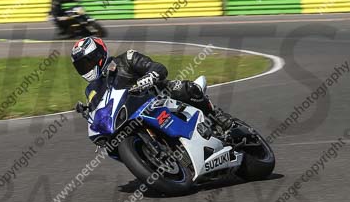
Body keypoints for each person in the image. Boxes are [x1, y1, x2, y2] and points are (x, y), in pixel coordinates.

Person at [70, 36, 233, 132]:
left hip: (158, 96)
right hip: (130, 118)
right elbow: (98, 111)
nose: (86, 69)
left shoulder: (126, 59)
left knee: (187, 89)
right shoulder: (91, 90)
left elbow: (158, 68)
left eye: (87, 63)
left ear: (99, 55)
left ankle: (218, 117)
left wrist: (147, 78)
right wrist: (88, 112)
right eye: (81, 67)